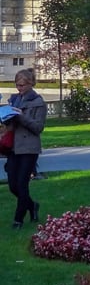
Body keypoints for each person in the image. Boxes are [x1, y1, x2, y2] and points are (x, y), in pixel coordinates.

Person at [5, 69, 46, 229]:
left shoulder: (38, 102)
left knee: (22, 184)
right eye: (17, 85)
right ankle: (32, 205)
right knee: (13, 186)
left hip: (29, 148)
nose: (19, 88)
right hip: (13, 147)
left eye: (22, 85)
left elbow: (38, 127)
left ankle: (18, 220)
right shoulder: (14, 100)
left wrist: (21, 116)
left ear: (31, 84)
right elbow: (10, 124)